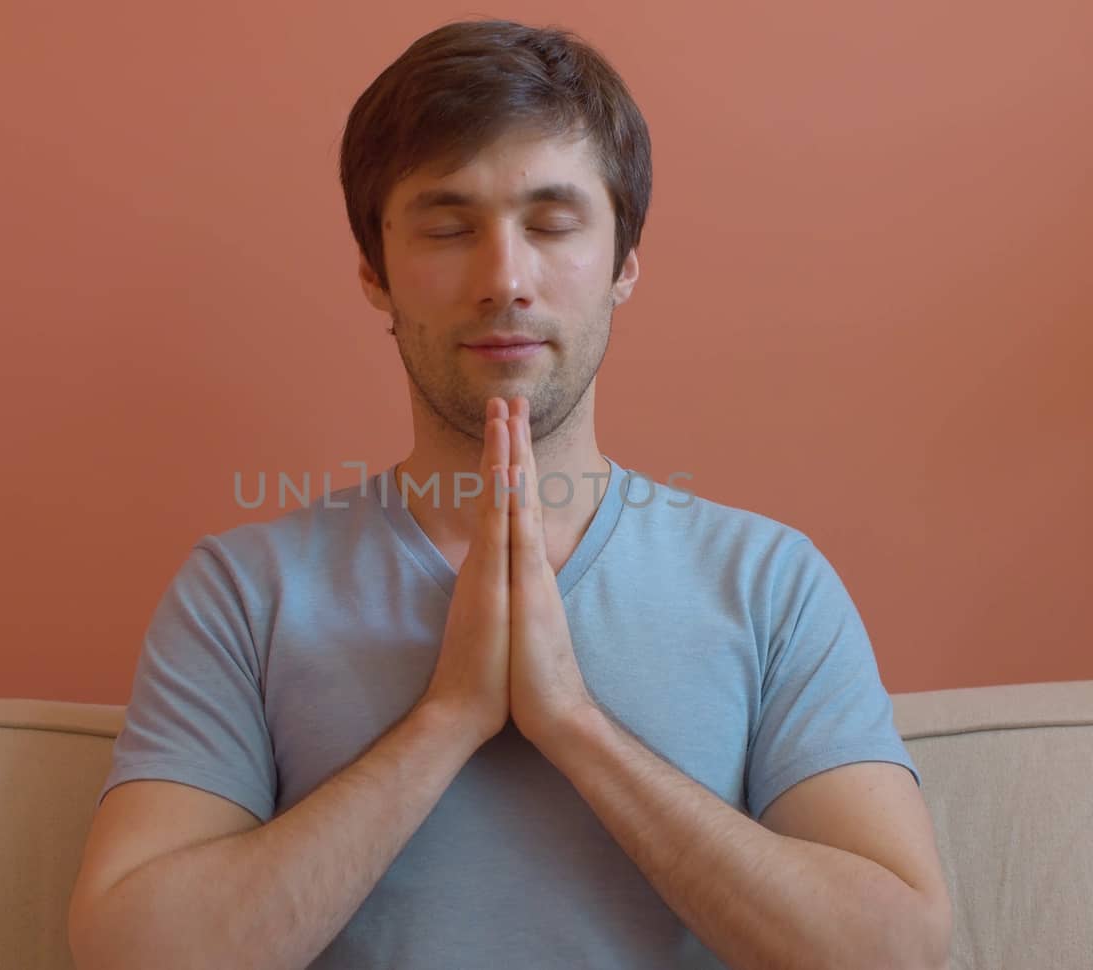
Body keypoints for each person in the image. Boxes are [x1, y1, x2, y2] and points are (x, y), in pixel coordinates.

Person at [68, 18, 950, 970]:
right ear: (375, 272)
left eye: (553, 224)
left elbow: (895, 950)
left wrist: (571, 721)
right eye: (448, 228)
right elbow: (131, 954)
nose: (504, 279)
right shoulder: (242, 591)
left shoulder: (770, 582)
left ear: (624, 264)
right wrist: (447, 719)